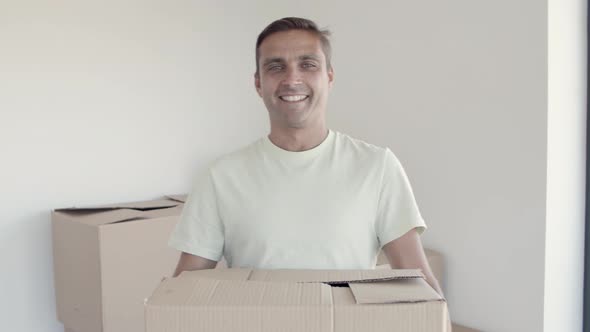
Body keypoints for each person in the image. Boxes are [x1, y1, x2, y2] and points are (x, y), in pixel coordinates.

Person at [168, 17, 445, 302]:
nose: (292, 79)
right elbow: (183, 291)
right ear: (258, 83)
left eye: (308, 64)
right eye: (275, 67)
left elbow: (419, 281)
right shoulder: (221, 176)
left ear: (329, 76)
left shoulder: (377, 166)